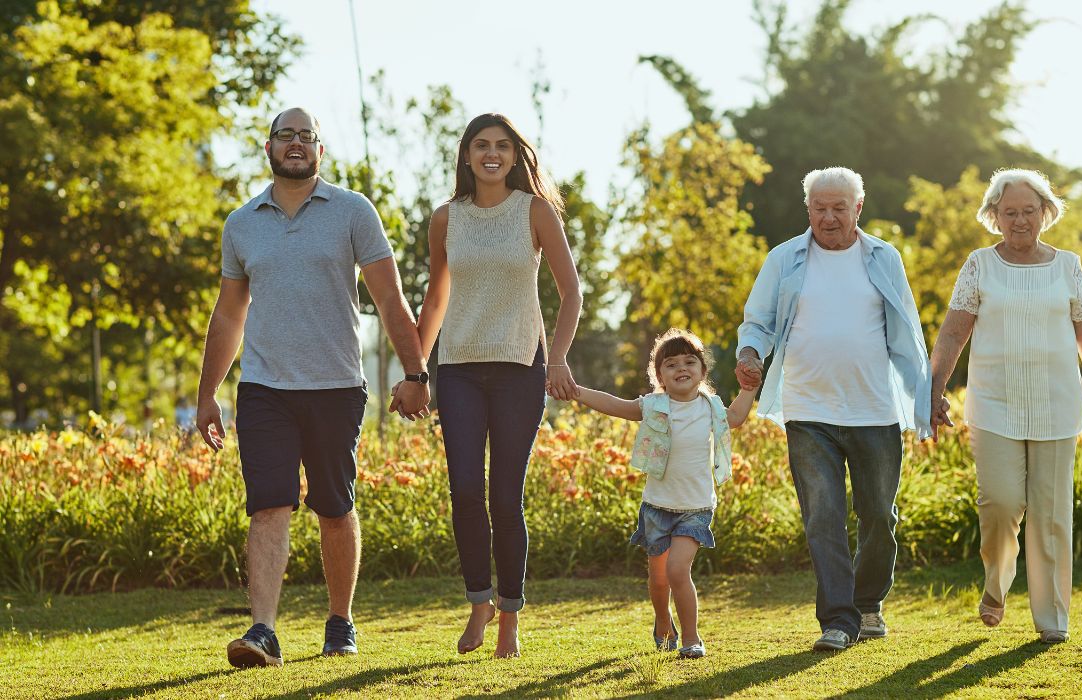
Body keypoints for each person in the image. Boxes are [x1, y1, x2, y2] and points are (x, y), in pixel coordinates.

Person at [196, 107, 430, 669]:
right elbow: (229, 316)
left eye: (307, 135)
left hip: (336, 386)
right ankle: (263, 632)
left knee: (333, 505)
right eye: (286, 135)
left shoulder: (354, 212)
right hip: (264, 388)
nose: (296, 143)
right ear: (269, 148)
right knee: (268, 506)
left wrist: (417, 374)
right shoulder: (242, 223)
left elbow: (390, 300)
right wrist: (208, 393)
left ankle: (340, 622)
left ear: (320, 151)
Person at [404, 113, 581, 658]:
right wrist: (415, 370)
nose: (492, 153)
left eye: (502, 146)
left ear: (515, 155)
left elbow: (570, 292)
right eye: (481, 145)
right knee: (463, 492)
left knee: (505, 497)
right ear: (466, 154)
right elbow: (434, 299)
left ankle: (509, 616)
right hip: (457, 368)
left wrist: (559, 361)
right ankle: (478, 600)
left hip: (520, 368)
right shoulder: (444, 220)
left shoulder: (535, 211)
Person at [735, 166, 932, 651]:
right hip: (808, 408)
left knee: (878, 517)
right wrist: (748, 355)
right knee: (823, 517)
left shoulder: (885, 258)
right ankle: (839, 620)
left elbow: (907, 337)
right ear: (809, 210)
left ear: (857, 209)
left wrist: (927, 394)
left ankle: (868, 603)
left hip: (874, 409)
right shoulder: (785, 258)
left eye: (838, 208)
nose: (828, 217)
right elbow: (756, 322)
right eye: (819, 208)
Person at [928, 168, 1082, 644]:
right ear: (994, 216)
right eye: (1009, 212)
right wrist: (934, 388)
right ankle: (996, 585)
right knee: (1000, 503)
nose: (1020, 220)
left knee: (1052, 514)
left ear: (1045, 213)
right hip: (994, 403)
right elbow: (954, 331)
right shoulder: (979, 265)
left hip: (1056, 404)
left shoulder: (1068, 265)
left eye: (1029, 211)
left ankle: (1052, 619)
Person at [571, 328, 757, 658]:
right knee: (659, 582)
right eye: (671, 364)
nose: (681, 368)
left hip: (695, 508)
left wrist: (747, 390)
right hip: (657, 506)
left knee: (676, 571)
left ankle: (691, 638)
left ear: (702, 370)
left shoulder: (711, 408)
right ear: (660, 376)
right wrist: (575, 391)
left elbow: (738, 417)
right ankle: (662, 620)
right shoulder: (653, 406)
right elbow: (614, 405)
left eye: (689, 361)